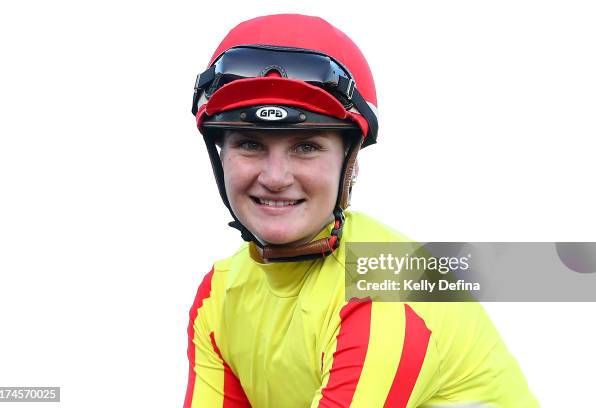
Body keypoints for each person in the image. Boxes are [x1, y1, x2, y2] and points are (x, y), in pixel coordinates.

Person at [184, 14, 538, 407]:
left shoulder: (388, 285)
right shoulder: (217, 296)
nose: (276, 176)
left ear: (349, 163)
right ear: (221, 155)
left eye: (306, 146)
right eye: (250, 144)